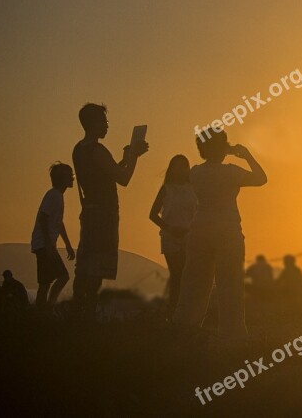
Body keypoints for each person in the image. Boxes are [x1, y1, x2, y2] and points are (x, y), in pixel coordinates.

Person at [172, 129, 266, 347]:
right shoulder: (231, 172)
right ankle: (233, 336)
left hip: (200, 230)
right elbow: (262, 178)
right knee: (230, 284)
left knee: (194, 282)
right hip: (228, 231)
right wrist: (246, 154)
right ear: (222, 147)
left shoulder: (195, 173)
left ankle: (185, 328)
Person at [72, 103, 148, 320]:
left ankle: (77, 313)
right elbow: (123, 179)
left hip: (89, 212)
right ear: (94, 123)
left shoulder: (78, 149)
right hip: (104, 215)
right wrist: (134, 157)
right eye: (104, 122)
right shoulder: (98, 150)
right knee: (97, 267)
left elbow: (109, 171)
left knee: (84, 265)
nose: (107, 126)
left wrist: (127, 157)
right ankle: (87, 314)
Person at [149, 154, 197, 320]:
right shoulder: (166, 188)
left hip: (190, 236)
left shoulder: (193, 188)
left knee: (189, 276)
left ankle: (184, 313)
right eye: (178, 166)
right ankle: (173, 313)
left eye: (184, 166)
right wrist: (170, 228)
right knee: (177, 275)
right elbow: (153, 214)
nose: (181, 169)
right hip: (171, 236)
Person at [31, 162, 76, 308]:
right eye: (70, 176)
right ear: (62, 178)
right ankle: (48, 307)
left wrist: (68, 244)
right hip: (45, 245)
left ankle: (41, 311)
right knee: (62, 276)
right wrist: (49, 244)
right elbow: (44, 218)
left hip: (44, 244)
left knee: (45, 282)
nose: (72, 178)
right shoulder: (54, 195)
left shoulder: (57, 196)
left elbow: (58, 222)